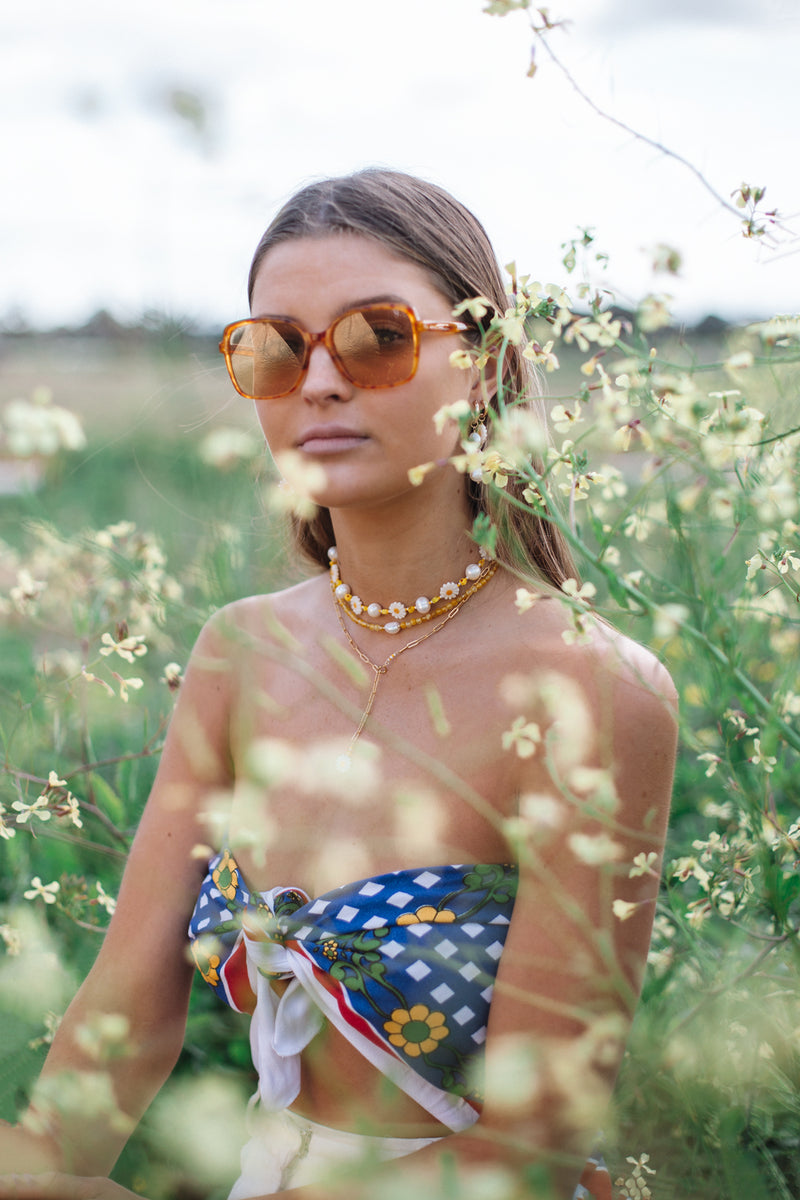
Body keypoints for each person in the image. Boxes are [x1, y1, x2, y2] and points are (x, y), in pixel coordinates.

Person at [0, 169, 677, 1200]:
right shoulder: (237, 653)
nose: (318, 383)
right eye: (276, 348)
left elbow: (531, 1142)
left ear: (483, 365)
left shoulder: (593, 687)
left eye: (375, 337)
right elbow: (125, 1016)